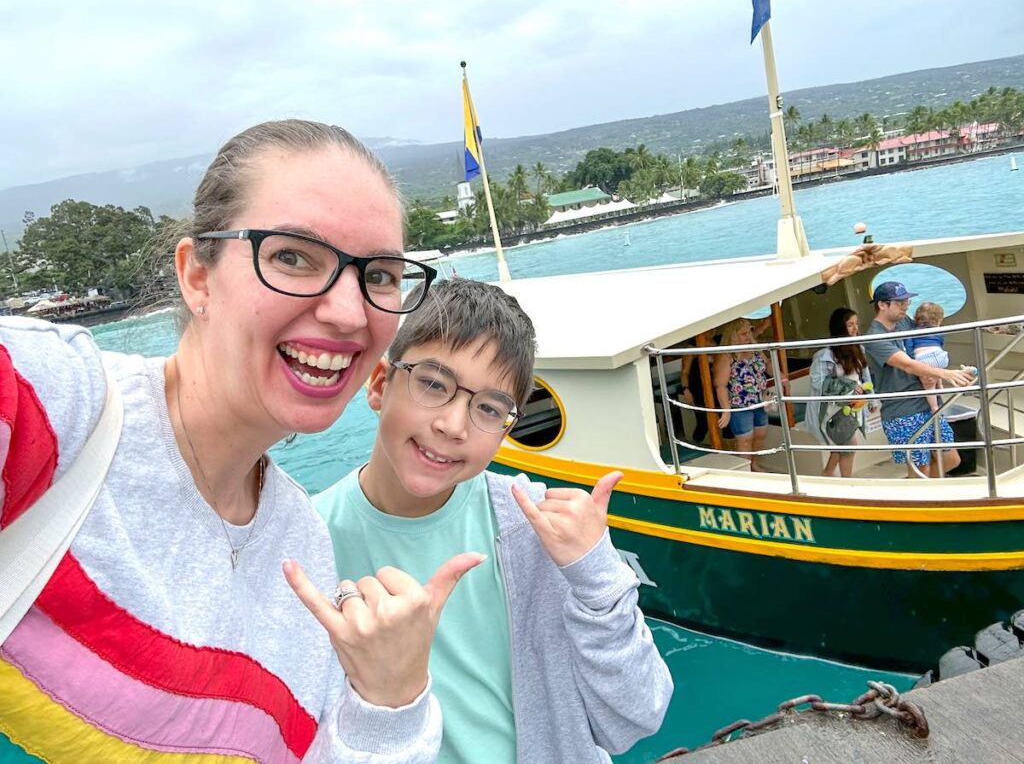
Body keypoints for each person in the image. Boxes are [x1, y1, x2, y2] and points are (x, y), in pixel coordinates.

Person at [0, 120, 471, 761]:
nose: (349, 312)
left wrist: (390, 698)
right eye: (293, 257)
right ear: (197, 276)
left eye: (381, 275)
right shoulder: (52, 405)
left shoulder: (301, 546)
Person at [314, 278, 673, 764]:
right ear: (380, 385)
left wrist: (597, 579)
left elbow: (636, 716)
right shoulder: (307, 539)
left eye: (488, 408)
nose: (454, 425)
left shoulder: (539, 528)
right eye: (433, 384)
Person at [864, 281, 973, 478]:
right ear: (882, 305)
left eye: (906, 301)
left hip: (927, 404)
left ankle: (922, 494)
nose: (906, 306)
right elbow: (906, 364)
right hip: (903, 410)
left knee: (951, 459)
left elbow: (928, 339)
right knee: (919, 468)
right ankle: (923, 498)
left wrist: (958, 371)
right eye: (900, 302)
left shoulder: (903, 322)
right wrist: (946, 374)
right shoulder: (875, 337)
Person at [806, 308, 873, 477]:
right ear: (839, 327)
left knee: (840, 446)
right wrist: (848, 385)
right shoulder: (825, 355)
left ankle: (827, 474)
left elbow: (865, 377)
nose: (855, 328)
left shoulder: (859, 349)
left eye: (856, 324)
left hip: (854, 406)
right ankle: (846, 485)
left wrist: (872, 400)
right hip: (834, 410)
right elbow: (818, 383)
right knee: (849, 446)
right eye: (850, 324)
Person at [713, 317, 787, 472]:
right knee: (745, 440)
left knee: (761, 435)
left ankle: (754, 464)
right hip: (739, 405)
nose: (748, 336)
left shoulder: (755, 349)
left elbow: (767, 365)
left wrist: (781, 377)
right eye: (743, 333)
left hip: (760, 401)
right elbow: (721, 385)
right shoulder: (727, 356)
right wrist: (726, 409)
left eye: (749, 332)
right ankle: (745, 471)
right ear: (733, 336)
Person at [905, 301, 949, 412]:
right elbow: (940, 342)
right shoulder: (939, 331)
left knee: (928, 386)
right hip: (941, 357)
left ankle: (934, 407)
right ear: (938, 321)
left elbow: (909, 347)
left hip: (924, 359)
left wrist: (912, 360)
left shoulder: (912, 332)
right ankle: (939, 382)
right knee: (936, 369)